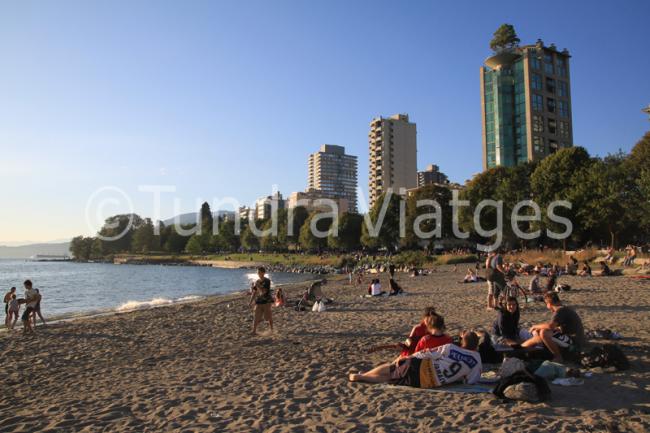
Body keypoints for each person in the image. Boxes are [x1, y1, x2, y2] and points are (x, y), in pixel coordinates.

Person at [349, 331, 482, 388]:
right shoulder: (476, 360)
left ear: (462, 342)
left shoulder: (450, 348)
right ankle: (363, 377)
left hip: (420, 365)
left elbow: (428, 353)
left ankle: (362, 376)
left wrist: (410, 356)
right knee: (391, 378)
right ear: (476, 346)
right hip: (427, 381)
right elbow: (471, 381)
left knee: (392, 367)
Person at [520, 292, 585, 362]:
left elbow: (550, 326)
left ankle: (558, 357)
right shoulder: (565, 309)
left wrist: (534, 326)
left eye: (546, 304)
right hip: (575, 340)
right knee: (541, 334)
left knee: (544, 332)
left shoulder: (559, 311)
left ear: (549, 303)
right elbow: (556, 328)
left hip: (574, 343)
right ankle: (520, 348)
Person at [248, 267, 273, 335]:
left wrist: (258, 286)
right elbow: (254, 293)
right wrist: (250, 301)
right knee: (256, 316)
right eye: (257, 272)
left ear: (263, 273)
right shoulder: (257, 281)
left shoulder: (267, 281)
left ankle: (271, 329)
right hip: (259, 301)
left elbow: (264, 292)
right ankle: (254, 331)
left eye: (259, 272)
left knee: (267, 318)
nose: (258, 274)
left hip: (266, 301)